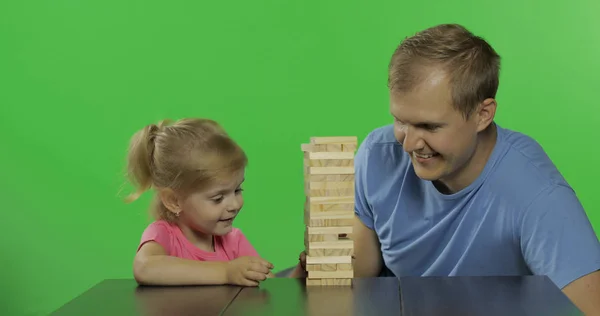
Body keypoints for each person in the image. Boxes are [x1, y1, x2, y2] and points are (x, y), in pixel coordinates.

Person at [296, 24, 600, 314]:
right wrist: (317, 265)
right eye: (401, 121)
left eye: (429, 126)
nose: (408, 144)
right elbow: (358, 274)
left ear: (482, 114)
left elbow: (589, 308)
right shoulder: (378, 154)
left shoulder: (539, 196)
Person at [125, 118, 274, 287]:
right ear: (174, 201)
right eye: (218, 198)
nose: (234, 205)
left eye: (237, 190)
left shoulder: (234, 241)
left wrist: (302, 273)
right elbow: (144, 268)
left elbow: (272, 289)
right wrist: (226, 272)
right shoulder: (164, 235)